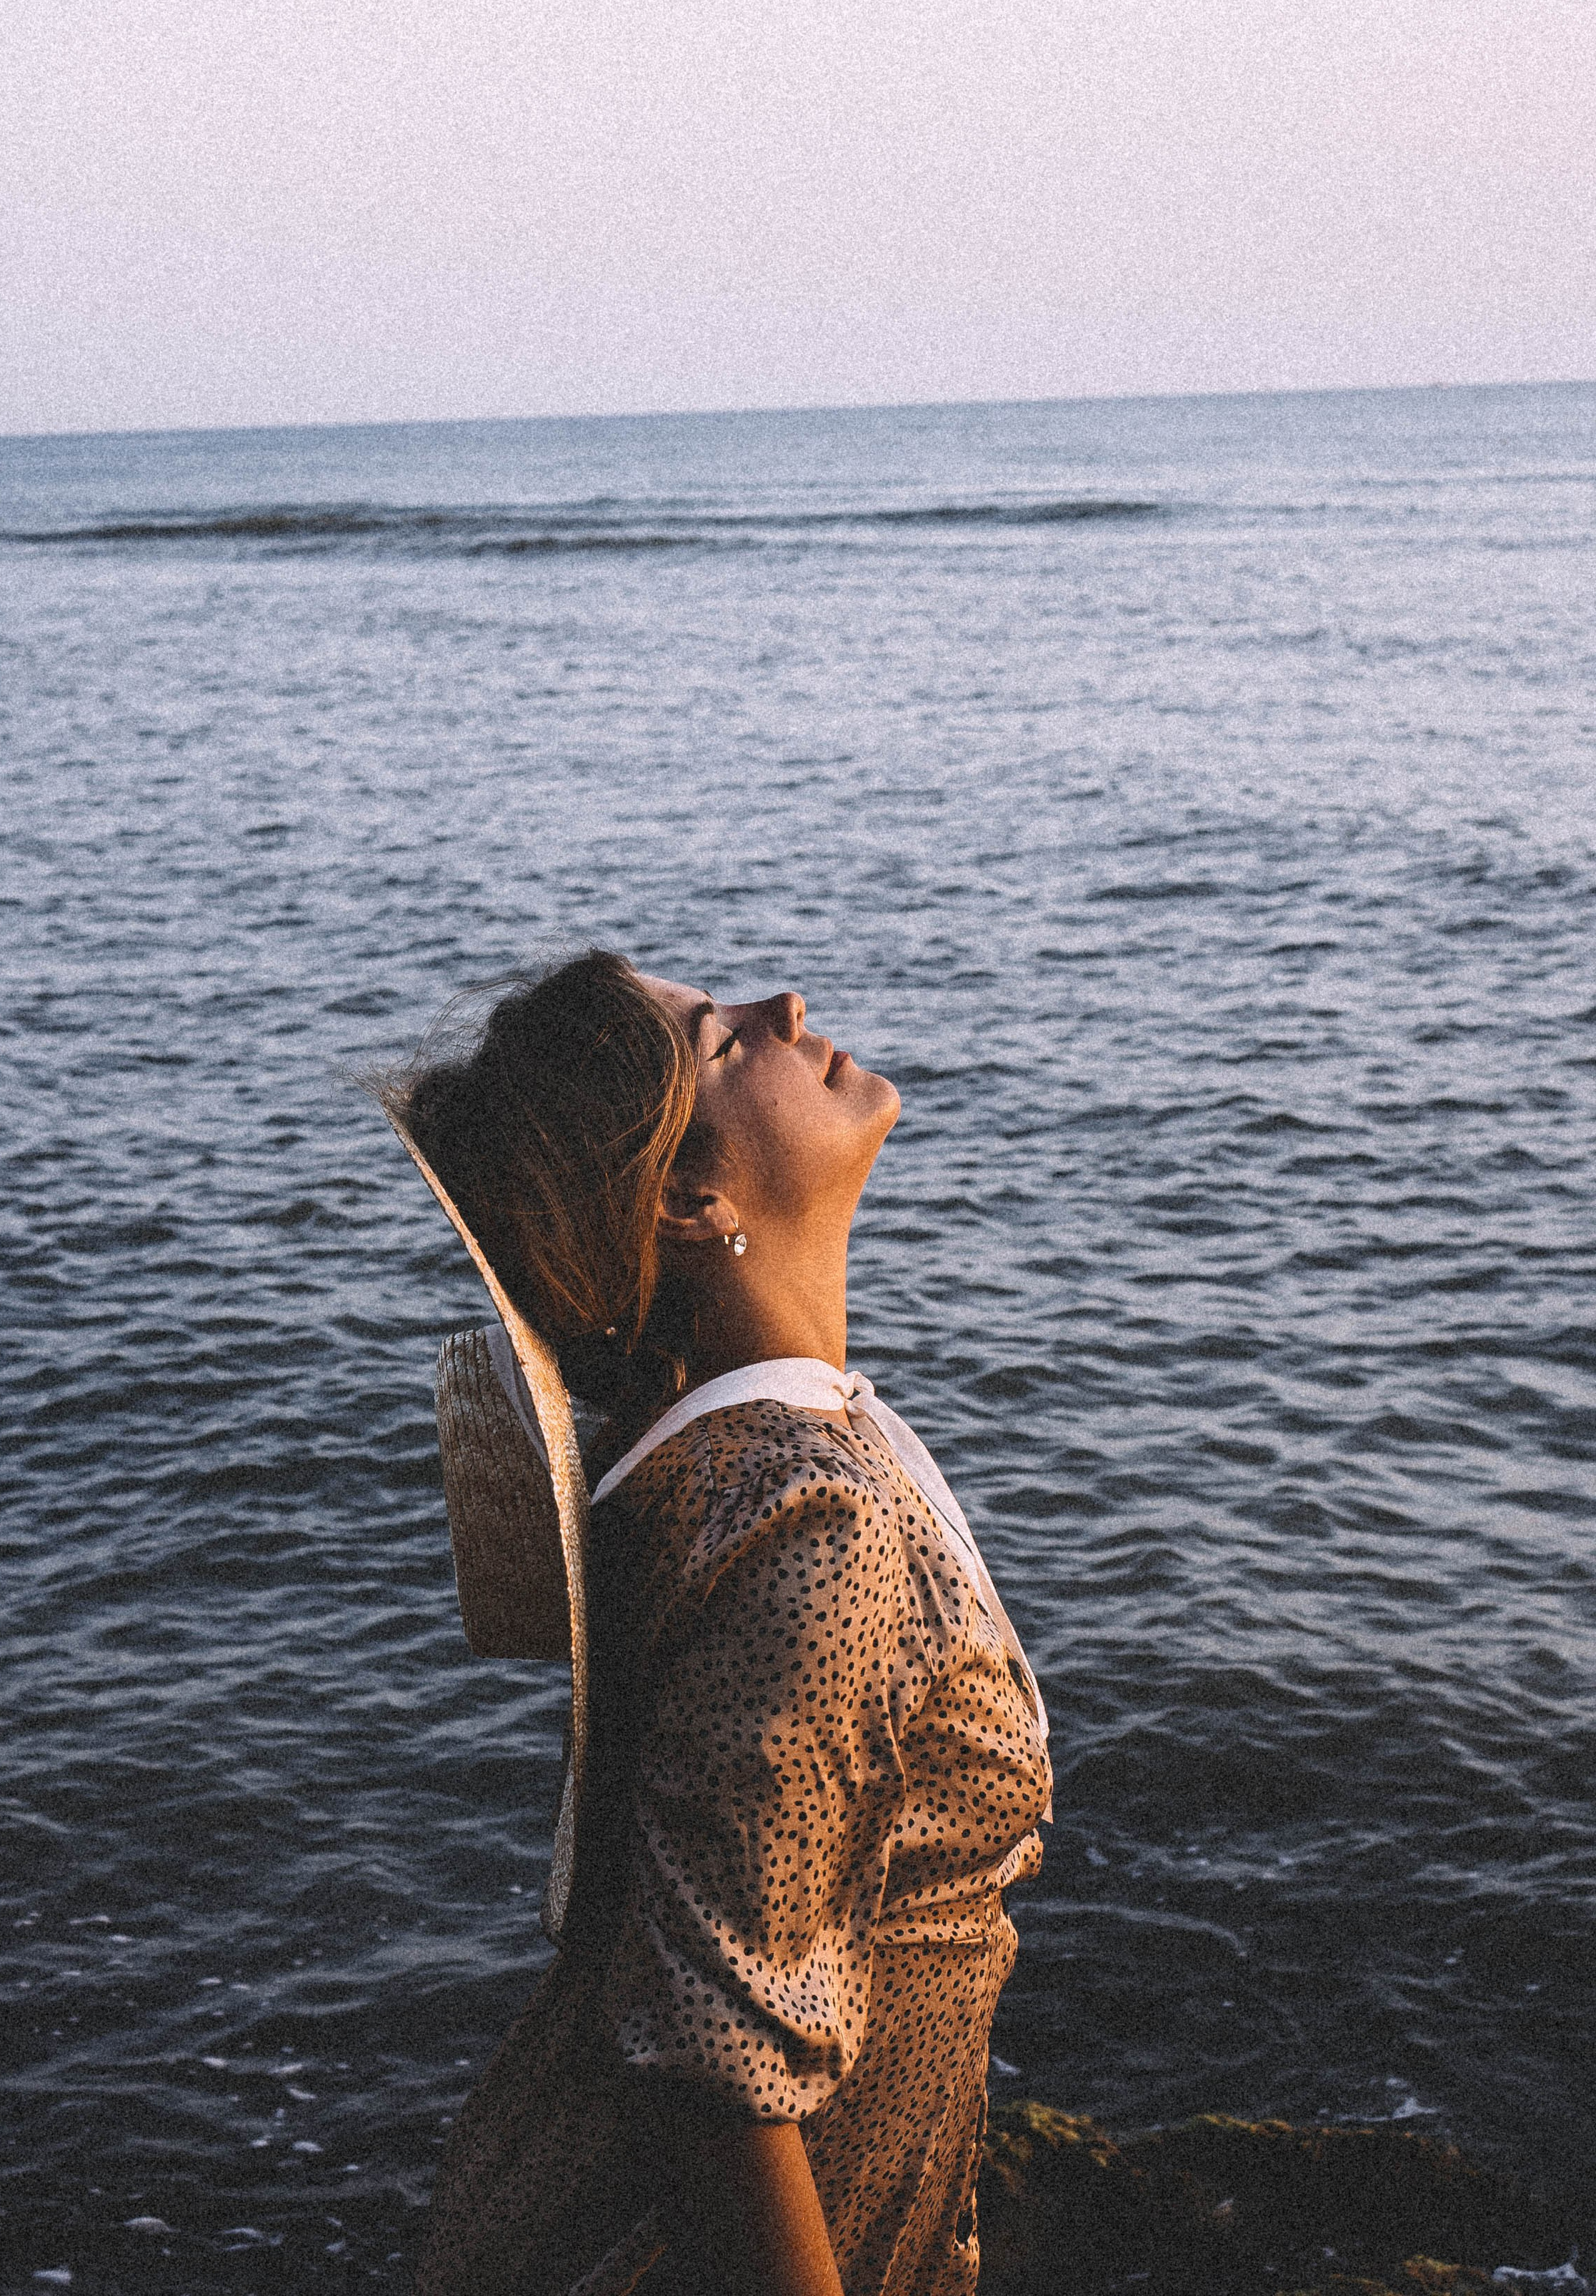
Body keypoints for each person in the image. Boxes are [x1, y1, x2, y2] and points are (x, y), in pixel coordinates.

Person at [381, 950, 1052, 2296]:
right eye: (723, 1041)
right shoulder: (814, 1524)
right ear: (692, 1198)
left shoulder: (718, 1455)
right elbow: (714, 2063)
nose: (784, 1009)